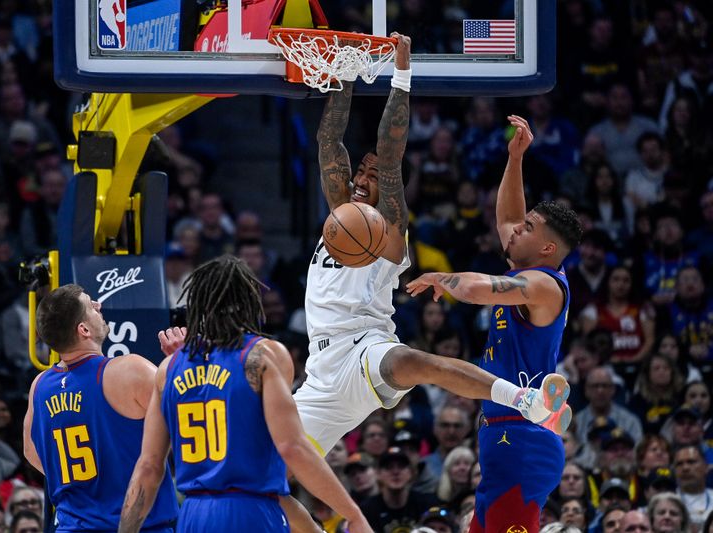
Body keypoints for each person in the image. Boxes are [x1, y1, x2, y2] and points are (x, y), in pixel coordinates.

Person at [295, 33, 571, 473]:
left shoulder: (387, 229)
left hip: (365, 346)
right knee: (264, 466)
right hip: (320, 374)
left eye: (372, 174)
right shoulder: (341, 216)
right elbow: (329, 143)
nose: (364, 177)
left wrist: (400, 75)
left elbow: (390, 153)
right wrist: (342, 72)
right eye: (359, 172)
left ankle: (524, 399)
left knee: (411, 361)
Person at [406, 115, 583, 533]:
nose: (514, 230)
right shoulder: (530, 264)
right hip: (503, 433)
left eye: (529, 228)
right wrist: (515, 159)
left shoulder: (542, 285)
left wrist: (444, 279)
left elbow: (477, 289)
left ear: (547, 247)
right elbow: (506, 218)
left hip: (522, 438)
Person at [118, 256, 372, 533]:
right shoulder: (264, 355)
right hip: (252, 510)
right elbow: (291, 448)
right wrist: (352, 512)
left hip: (193, 514)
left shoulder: (169, 368)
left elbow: (148, 467)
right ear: (249, 302)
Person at [22, 284, 178, 531]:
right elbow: (191, 416)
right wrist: (181, 362)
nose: (98, 305)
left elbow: (31, 452)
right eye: (90, 305)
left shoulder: (39, 386)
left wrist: (84, 483)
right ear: (83, 329)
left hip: (71, 525)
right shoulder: (130, 370)